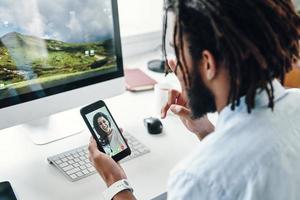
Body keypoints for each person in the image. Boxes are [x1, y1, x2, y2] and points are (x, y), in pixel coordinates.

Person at [88, 0, 300, 199]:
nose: (175, 66)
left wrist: (115, 182)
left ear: (207, 63)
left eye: (180, 53)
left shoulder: (198, 179)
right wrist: (206, 132)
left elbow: (228, 170)